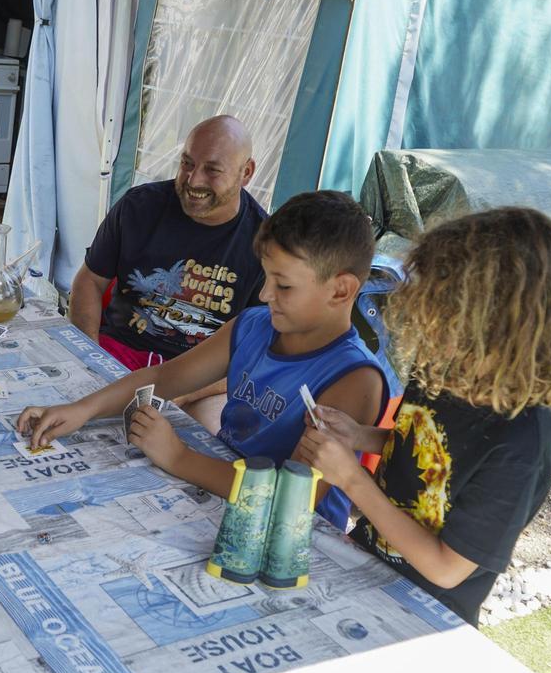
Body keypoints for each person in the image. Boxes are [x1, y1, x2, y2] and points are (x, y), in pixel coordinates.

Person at [19, 191, 387, 529]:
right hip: (217, 491)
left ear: (341, 290)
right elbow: (165, 378)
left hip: (289, 535)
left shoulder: (354, 379)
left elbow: (288, 498)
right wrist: (82, 409)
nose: (264, 294)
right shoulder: (254, 325)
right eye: (266, 278)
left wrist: (179, 457)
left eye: (284, 285)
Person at [296, 208, 551, 626]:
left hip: (422, 615)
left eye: (441, 305)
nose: (424, 316)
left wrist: (351, 479)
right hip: (363, 565)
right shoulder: (442, 372)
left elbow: (447, 569)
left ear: (496, 320)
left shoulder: (523, 439)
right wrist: (359, 436)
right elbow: (427, 453)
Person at [70, 116, 267, 423]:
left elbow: (259, 353)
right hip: (118, 352)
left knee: (213, 431)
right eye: (187, 163)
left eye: (212, 170)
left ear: (247, 173)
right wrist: (89, 356)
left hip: (201, 380)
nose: (193, 180)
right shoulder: (139, 206)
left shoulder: (266, 244)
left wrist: (183, 393)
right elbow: (90, 282)